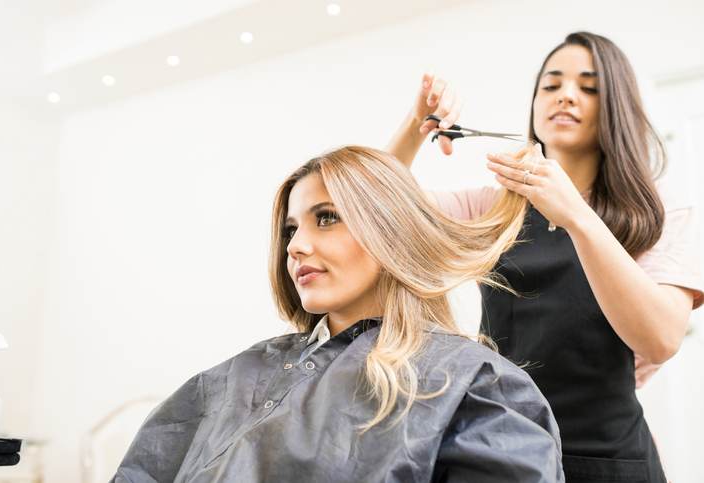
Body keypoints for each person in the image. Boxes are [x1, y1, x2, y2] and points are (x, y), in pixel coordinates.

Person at [113, 146, 563, 482]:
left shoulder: (472, 384)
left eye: (326, 218)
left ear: (390, 229)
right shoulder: (235, 376)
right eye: (291, 229)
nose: (295, 246)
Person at [387, 32, 704, 482]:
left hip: (612, 459)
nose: (566, 97)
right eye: (551, 85)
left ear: (618, 107)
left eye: (589, 88)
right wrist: (414, 125)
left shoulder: (659, 211)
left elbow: (660, 340)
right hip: (502, 451)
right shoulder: (494, 207)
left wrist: (577, 215)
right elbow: (370, 208)